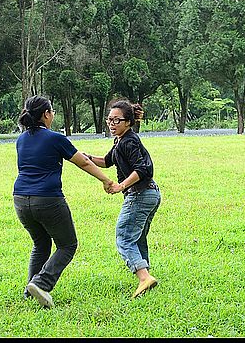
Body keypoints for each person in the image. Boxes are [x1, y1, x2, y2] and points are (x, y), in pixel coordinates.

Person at [13, 95, 114, 309]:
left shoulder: (21, 139)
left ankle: (30, 291)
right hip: (48, 199)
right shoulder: (55, 138)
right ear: (46, 114)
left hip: (20, 200)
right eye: (52, 112)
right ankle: (41, 284)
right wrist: (106, 180)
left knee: (40, 244)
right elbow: (84, 163)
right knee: (68, 245)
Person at [83, 100, 161, 299]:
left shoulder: (129, 141)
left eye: (117, 120)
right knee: (138, 237)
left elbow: (142, 169)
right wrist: (86, 157)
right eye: (109, 119)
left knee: (124, 237)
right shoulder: (120, 140)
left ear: (128, 122)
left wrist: (121, 186)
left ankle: (144, 277)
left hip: (140, 194)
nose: (111, 123)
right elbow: (108, 161)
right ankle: (146, 273)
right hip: (150, 194)